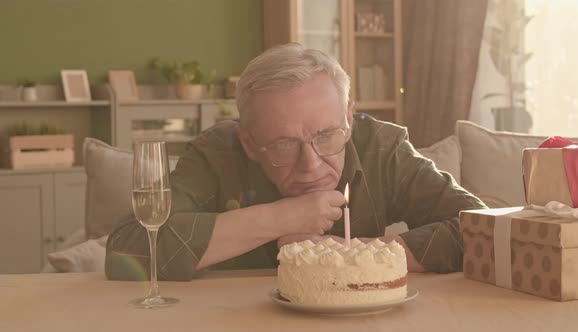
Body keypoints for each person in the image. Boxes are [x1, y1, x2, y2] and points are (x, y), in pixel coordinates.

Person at [106, 43, 486, 281]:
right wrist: (283, 217)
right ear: (249, 143)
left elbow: (483, 230)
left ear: (349, 119)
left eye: (326, 136)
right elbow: (130, 247)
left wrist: (345, 255)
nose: (311, 164)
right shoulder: (216, 153)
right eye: (284, 144)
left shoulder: (382, 147)